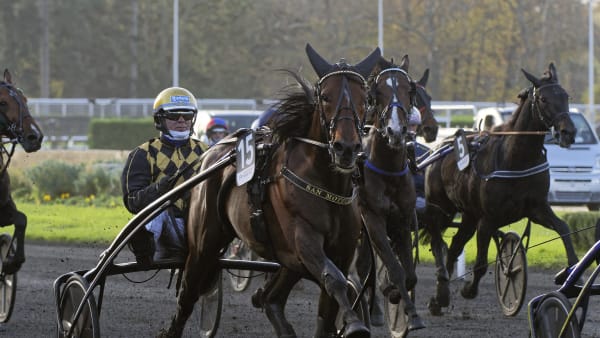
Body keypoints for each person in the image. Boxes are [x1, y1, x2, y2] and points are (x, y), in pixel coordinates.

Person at [121, 86, 208, 265]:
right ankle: (145, 246)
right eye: (174, 116)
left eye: (188, 116)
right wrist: (160, 189)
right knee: (159, 207)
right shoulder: (143, 153)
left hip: (201, 224)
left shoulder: (206, 152)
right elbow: (132, 201)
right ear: (159, 119)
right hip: (166, 226)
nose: (182, 121)